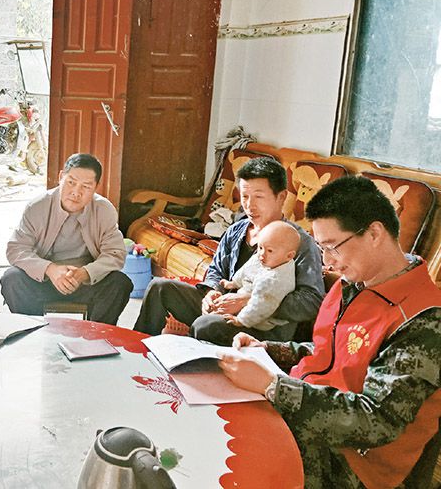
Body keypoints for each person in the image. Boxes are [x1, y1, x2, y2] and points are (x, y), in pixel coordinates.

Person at [219, 176, 441, 488]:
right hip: (308, 410)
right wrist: (268, 349)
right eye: (320, 248)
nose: (327, 261)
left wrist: (273, 387)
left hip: (351, 462)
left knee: (239, 455)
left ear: (374, 233)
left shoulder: (424, 318)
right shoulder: (353, 283)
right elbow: (333, 353)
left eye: (331, 247)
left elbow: (376, 421)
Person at [134, 157, 324, 344]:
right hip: (224, 307)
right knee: (160, 287)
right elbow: (216, 270)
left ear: (281, 197)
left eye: (259, 197)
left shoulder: (299, 242)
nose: (249, 205)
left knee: (206, 325)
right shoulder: (236, 230)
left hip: (261, 324)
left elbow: (312, 301)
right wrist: (212, 292)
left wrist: (248, 300)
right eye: (245, 196)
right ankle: (137, 350)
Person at [0, 153, 132, 324]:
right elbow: (16, 249)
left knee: (119, 283)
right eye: (71, 182)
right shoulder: (37, 207)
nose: (76, 192)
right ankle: (33, 330)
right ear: (61, 177)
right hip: (44, 281)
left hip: (85, 283)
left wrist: (85, 273)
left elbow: (115, 254)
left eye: (86, 186)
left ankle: (96, 336)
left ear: (96, 187)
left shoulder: (104, 210)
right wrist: (50, 269)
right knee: (12, 279)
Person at [189, 220, 301, 345]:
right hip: (236, 300)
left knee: (204, 324)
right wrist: (232, 284)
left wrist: (240, 320)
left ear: (289, 256)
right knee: (170, 288)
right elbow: (245, 270)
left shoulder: (275, 280)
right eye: (260, 247)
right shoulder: (263, 255)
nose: (262, 254)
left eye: (269, 251)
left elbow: (259, 306)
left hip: (258, 321)